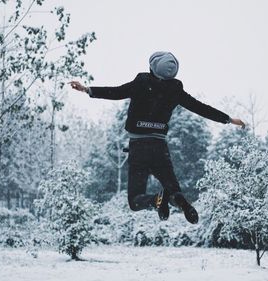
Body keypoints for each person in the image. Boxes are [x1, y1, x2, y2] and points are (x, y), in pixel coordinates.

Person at [70, 51, 246, 224]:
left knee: (135, 200)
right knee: (174, 189)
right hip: (159, 148)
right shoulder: (175, 90)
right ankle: (181, 202)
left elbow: (116, 92)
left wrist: (87, 89)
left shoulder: (141, 83)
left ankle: (155, 200)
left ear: (152, 67)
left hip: (138, 148)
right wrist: (228, 119)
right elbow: (199, 107)